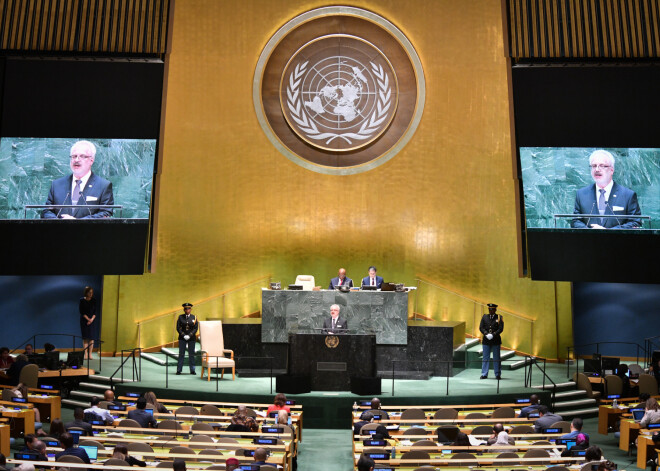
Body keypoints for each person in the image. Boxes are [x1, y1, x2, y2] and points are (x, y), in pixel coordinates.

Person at [42, 140, 114, 219]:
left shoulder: (103, 185)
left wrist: (77, 222)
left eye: (82, 156)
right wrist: (60, 223)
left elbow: (106, 213)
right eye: (74, 156)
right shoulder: (57, 185)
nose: (76, 160)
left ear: (91, 160)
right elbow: (47, 211)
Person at [571, 149, 641, 229]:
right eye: (594, 166)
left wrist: (608, 231)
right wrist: (590, 232)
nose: (597, 169)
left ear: (611, 170)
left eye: (602, 166)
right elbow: (576, 221)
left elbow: (635, 222)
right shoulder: (581, 194)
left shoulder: (628, 195)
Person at [479, 303, 504, 380]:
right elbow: (481, 327)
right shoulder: (484, 317)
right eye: (489, 309)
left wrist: (493, 334)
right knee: (485, 357)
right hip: (486, 340)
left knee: (496, 358)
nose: (491, 311)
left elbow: (501, 328)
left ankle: (497, 374)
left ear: (495, 310)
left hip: (495, 340)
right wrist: (486, 334)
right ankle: (484, 374)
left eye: (492, 309)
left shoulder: (499, 317)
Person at [176, 302, 198, 375]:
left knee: (191, 354)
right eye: (185, 309)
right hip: (182, 338)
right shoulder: (180, 317)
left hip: (191, 338)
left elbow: (195, 328)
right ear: (184, 310)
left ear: (191, 309)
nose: (187, 310)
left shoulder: (194, 317)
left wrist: (190, 335)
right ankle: (179, 370)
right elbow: (178, 328)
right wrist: (183, 335)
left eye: (188, 309)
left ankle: (192, 370)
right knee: (181, 354)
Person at [79, 286, 97, 360]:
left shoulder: (94, 300)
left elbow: (95, 312)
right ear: (86, 292)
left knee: (91, 338)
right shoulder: (81, 300)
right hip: (84, 320)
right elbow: (81, 312)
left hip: (92, 321)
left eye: (92, 292)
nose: (91, 294)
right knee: (85, 338)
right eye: (89, 292)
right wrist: (88, 319)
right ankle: (85, 354)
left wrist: (91, 320)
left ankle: (90, 354)